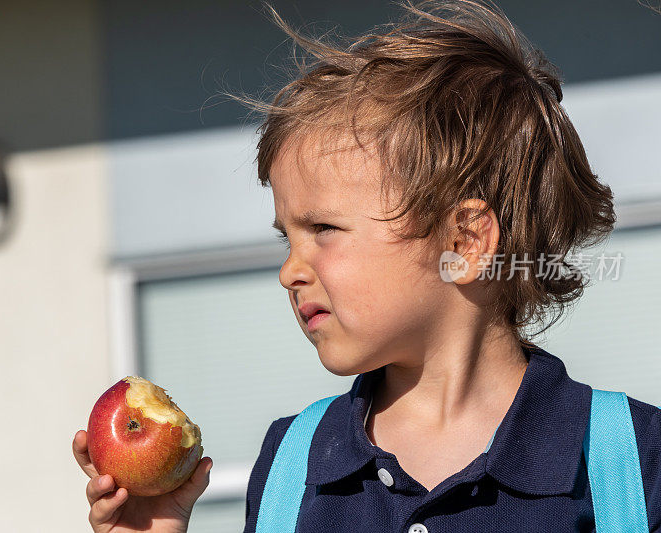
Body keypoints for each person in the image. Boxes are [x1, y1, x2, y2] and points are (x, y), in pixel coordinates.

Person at [73, 0, 660, 531]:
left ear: (467, 240)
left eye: (323, 229)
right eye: (287, 238)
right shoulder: (293, 466)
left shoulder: (631, 464)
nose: (289, 272)